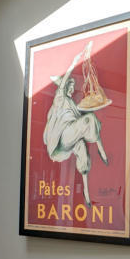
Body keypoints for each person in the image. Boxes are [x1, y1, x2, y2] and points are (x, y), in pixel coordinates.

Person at [43, 42, 108, 205]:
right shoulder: (60, 99)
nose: (72, 89)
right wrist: (73, 64)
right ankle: (101, 150)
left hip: (70, 139)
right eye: (70, 87)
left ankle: (87, 195)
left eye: (73, 87)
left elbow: (79, 122)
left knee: (82, 149)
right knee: (89, 118)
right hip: (63, 136)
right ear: (65, 89)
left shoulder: (72, 103)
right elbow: (63, 84)